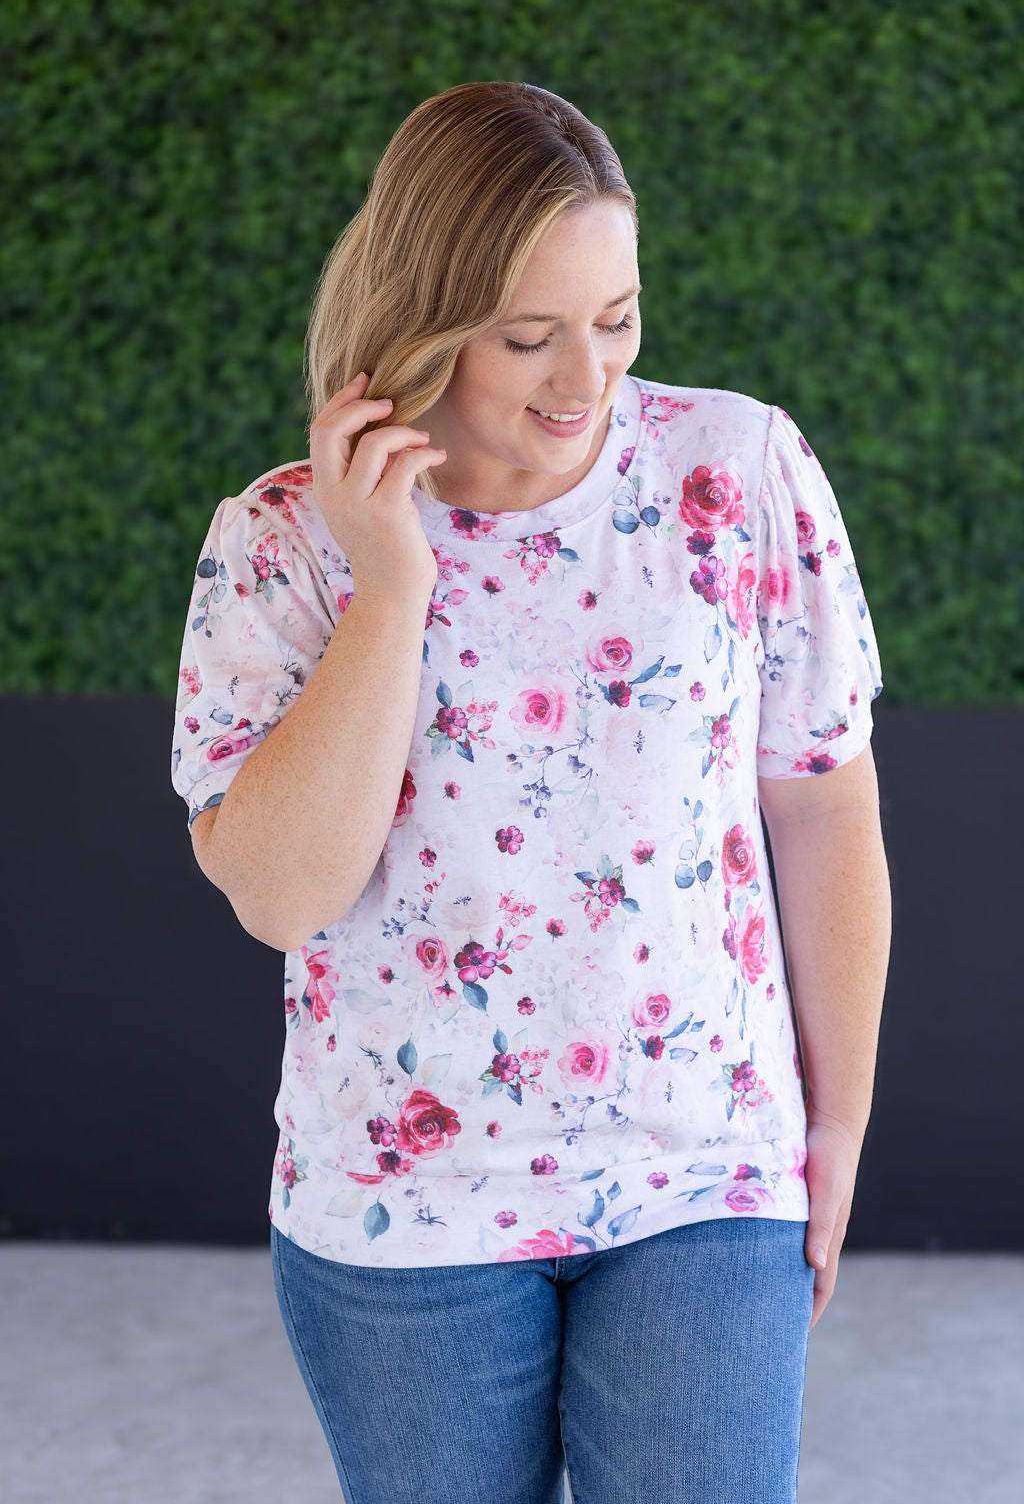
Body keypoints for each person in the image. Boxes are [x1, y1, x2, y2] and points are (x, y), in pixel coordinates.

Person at [170, 81, 891, 1504]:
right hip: (402, 1205)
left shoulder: (739, 474)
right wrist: (393, 585)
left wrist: (840, 1120)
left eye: (618, 318)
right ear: (426, 319)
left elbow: (824, 809)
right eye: (527, 335)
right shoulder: (282, 543)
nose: (586, 378)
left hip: (705, 1174)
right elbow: (284, 896)